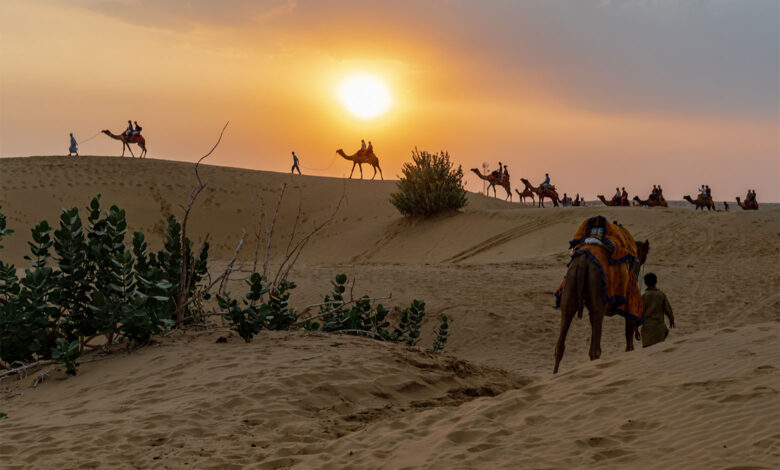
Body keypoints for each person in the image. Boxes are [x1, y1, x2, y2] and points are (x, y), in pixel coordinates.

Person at [640, 273, 675, 348]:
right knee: (659, 349)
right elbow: (668, 310)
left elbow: (638, 314)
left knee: (647, 351)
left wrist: (635, 329)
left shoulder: (643, 296)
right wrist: (671, 319)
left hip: (647, 329)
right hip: (659, 328)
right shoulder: (661, 295)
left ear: (645, 283)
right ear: (656, 281)